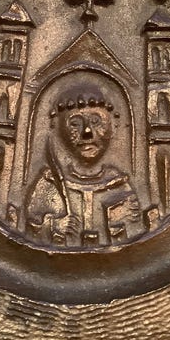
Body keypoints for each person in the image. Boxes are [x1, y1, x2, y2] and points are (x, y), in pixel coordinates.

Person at [26, 84, 145, 248]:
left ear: (113, 126)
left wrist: (121, 217)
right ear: (59, 129)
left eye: (96, 121)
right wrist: (54, 225)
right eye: (75, 123)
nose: (87, 132)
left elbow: (137, 235)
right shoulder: (50, 182)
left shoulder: (118, 183)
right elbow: (31, 227)